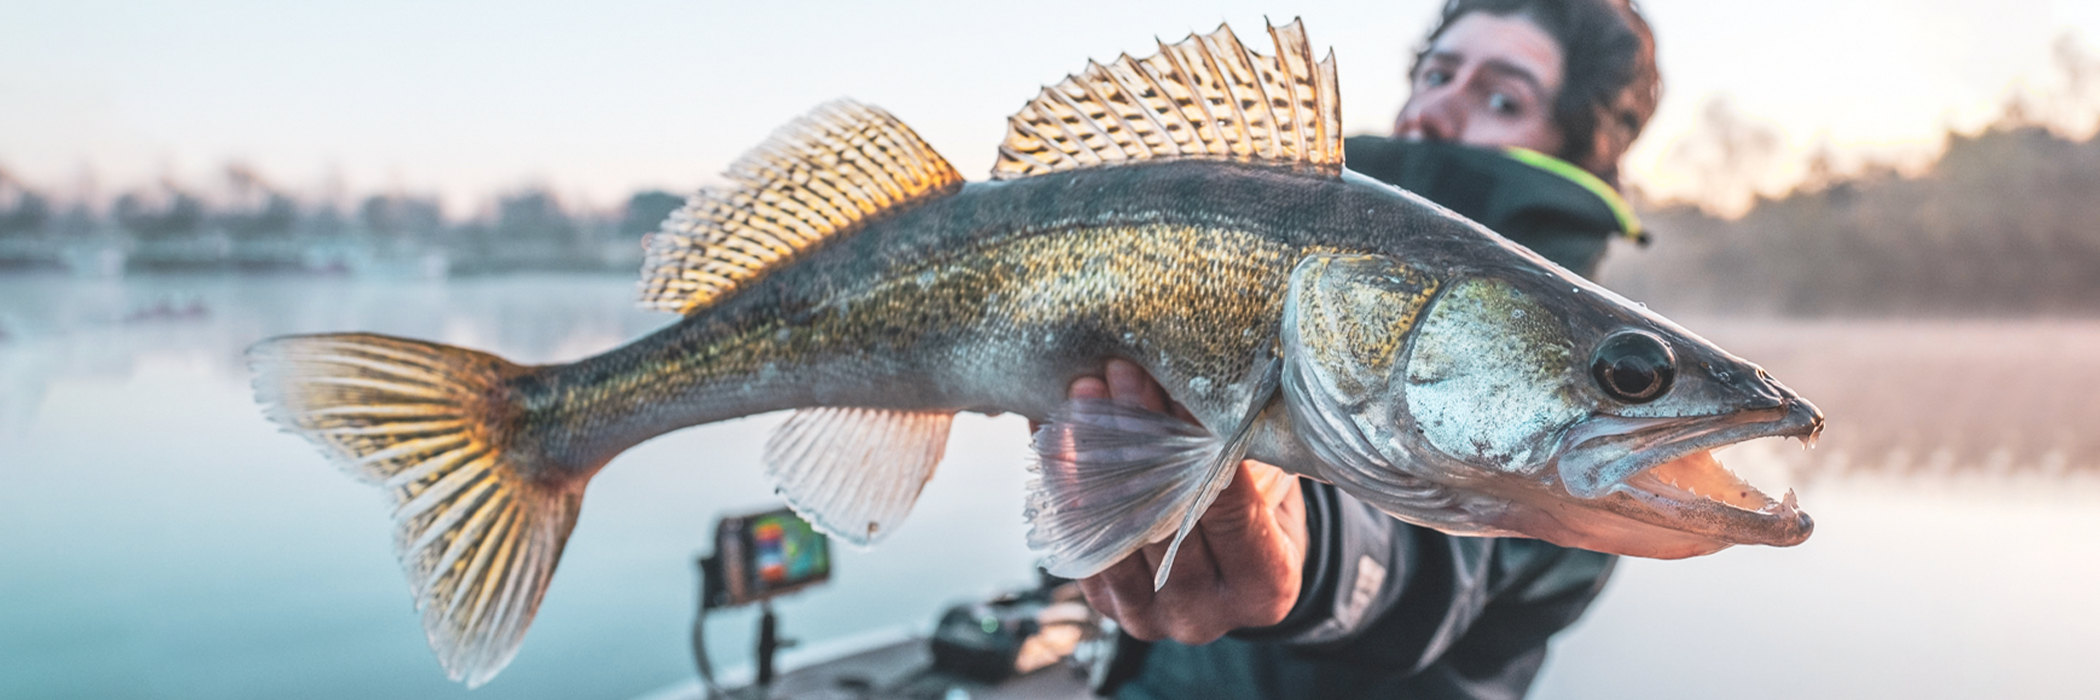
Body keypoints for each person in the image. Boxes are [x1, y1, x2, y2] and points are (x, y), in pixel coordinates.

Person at [1061, 2, 1662, 698]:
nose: (1433, 112)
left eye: (1502, 98)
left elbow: (1433, 561)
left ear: (1578, 150)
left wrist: (1307, 557)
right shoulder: (1291, 230)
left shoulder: (1593, 425)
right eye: (1437, 73)